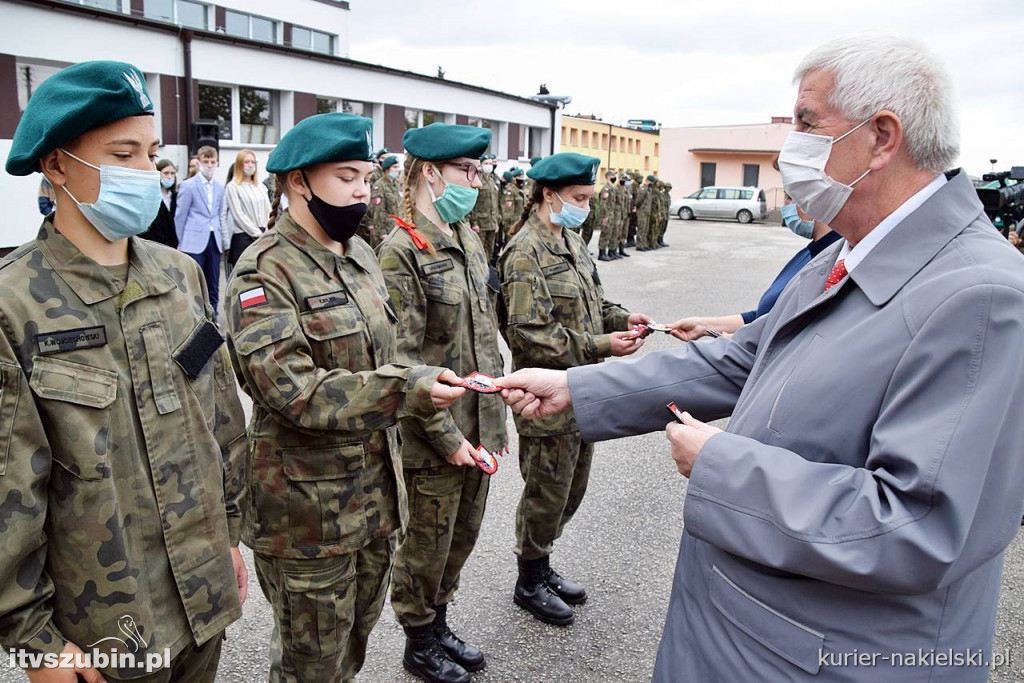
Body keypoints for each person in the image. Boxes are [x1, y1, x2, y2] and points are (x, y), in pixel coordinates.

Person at [498, 34, 1024, 682]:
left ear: (882, 136)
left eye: (808, 124)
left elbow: (916, 524)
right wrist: (577, 386)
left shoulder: (982, 296)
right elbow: (734, 362)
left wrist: (722, 464)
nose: (790, 149)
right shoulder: (844, 256)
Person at [0, 59, 247, 683]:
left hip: (201, 596)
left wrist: (231, 539)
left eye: (151, 154)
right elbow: (8, 492)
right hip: (103, 627)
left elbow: (220, 420)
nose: (146, 173)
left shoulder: (180, 276)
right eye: (123, 154)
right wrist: (32, 641)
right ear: (57, 165)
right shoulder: (14, 305)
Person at [225, 112, 466, 683]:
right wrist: (408, 388)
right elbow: (295, 392)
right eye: (346, 177)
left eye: (365, 176)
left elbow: (389, 358)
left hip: (374, 502)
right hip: (307, 519)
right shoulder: (263, 271)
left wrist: (423, 394)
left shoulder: (358, 254)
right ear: (297, 182)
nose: (363, 190)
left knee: (351, 650)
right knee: (310, 666)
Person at [497, 152, 651, 627]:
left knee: (571, 489)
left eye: (589, 198)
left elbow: (594, 301)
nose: (586, 207)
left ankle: (541, 563)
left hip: (583, 389)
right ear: (550, 194)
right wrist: (603, 343)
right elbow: (529, 335)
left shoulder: (571, 241)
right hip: (545, 398)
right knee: (546, 491)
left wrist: (623, 318)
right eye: (580, 198)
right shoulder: (524, 253)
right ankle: (529, 578)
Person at [378, 123, 508, 683]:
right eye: (466, 171)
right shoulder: (401, 251)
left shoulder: (466, 236)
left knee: (462, 537)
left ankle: (440, 620)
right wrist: (449, 439)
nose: (475, 181)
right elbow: (401, 363)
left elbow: (484, 332)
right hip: (434, 435)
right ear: (430, 172)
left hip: (480, 425)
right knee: (426, 546)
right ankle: (419, 638)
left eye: (478, 171)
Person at [671, 204, 841, 339]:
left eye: (791, 196)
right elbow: (765, 316)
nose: (787, 206)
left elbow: (797, 335)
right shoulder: (812, 252)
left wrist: (740, 341)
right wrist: (703, 325)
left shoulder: (835, 264)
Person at [176, 145, 226, 315]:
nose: (210, 165)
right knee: (194, 280)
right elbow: (180, 215)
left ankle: (213, 316)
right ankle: (195, 316)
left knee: (214, 281)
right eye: (206, 161)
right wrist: (180, 241)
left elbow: (220, 214)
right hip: (193, 239)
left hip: (214, 237)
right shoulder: (188, 185)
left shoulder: (220, 187)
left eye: (213, 162)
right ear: (199, 161)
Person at [221, 149, 270, 276]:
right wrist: (256, 232)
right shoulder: (233, 187)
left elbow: (268, 210)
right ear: (239, 164)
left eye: (253, 162)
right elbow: (238, 214)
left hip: (263, 234)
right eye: (246, 162)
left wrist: (267, 230)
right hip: (244, 236)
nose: (250, 165)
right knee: (245, 278)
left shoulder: (260, 186)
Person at [359, 154, 401, 249]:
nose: (397, 170)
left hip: (395, 229)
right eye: (394, 167)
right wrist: (382, 233)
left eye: (398, 167)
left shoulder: (396, 184)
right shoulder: (379, 186)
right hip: (384, 231)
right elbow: (378, 211)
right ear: (386, 169)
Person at [468, 152, 501, 260]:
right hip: (481, 223)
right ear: (481, 164)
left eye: (491, 163)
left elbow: (495, 203)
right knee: (479, 251)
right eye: (486, 163)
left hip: (491, 222)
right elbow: (473, 203)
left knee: (489, 250)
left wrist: (496, 222)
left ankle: (487, 271)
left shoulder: (492, 180)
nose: (489, 165)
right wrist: (474, 222)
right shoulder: (477, 180)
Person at [139, 158, 179, 248]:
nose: (169, 177)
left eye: (172, 173)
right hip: (156, 243)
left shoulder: (176, 197)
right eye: (166, 173)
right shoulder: (152, 197)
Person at [595, 170, 619, 261]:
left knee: (610, 233)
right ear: (608, 177)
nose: (614, 178)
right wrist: (604, 216)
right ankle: (602, 253)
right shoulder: (606, 188)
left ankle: (609, 252)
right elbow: (603, 204)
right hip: (607, 215)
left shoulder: (611, 188)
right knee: (605, 234)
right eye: (613, 176)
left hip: (611, 215)